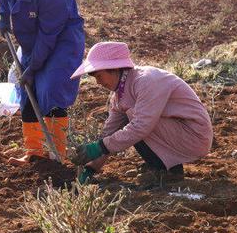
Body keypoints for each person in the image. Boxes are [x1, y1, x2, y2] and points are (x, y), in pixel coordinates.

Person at [69, 41, 213, 185]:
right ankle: (158, 166)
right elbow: (108, 134)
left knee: (135, 122)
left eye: (99, 76)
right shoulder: (119, 95)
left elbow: (141, 126)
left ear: (114, 68)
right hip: (174, 133)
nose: (98, 83)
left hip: (193, 135)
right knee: (128, 122)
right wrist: (91, 168)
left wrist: (99, 147)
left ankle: (166, 172)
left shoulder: (146, 81)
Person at [0, 0, 85, 165]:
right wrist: (3, 18)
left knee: (51, 89)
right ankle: (34, 152)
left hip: (61, 42)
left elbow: (48, 36)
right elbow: (5, 2)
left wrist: (33, 68)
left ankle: (57, 154)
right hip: (31, 42)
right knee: (28, 93)